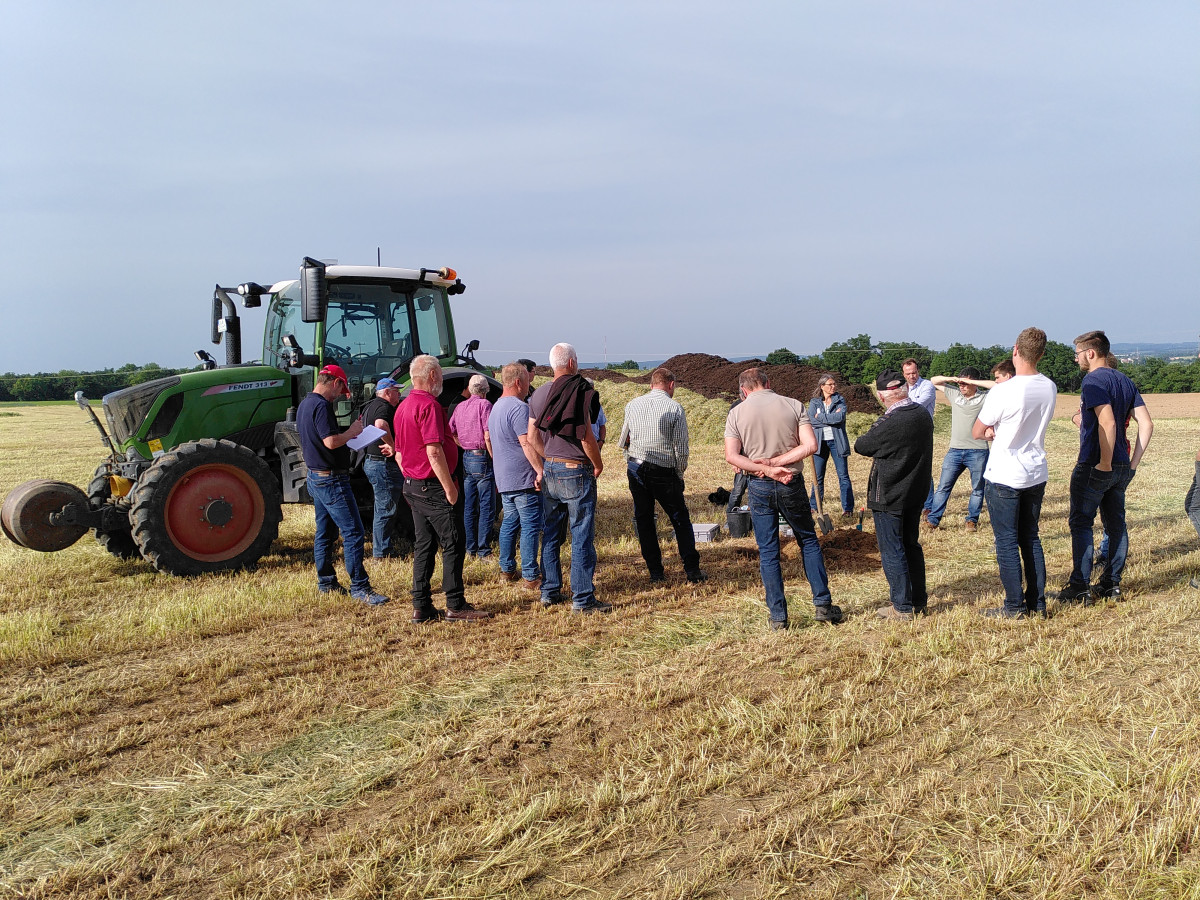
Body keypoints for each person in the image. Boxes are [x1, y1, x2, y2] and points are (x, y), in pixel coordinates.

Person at [724, 367, 842, 630]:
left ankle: (778, 617)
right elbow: (810, 445)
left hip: (759, 485)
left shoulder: (736, 413)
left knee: (768, 551)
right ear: (769, 383)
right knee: (808, 541)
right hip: (790, 482)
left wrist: (766, 468)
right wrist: (778, 464)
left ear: (744, 390)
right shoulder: (793, 405)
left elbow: (732, 456)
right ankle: (823, 604)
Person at [1058, 331, 1153, 605]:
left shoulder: (1093, 380)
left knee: (1081, 523)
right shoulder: (1125, 380)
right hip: (1123, 464)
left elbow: (1108, 423)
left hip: (1096, 464)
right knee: (1115, 525)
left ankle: (1079, 586)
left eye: (1077, 354)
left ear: (1090, 353)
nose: (1076, 359)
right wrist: (1131, 464)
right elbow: (1146, 424)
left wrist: (1105, 463)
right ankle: (1111, 584)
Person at [395, 355, 491, 623]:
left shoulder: (402, 407)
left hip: (413, 485)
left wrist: (412, 477)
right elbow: (434, 450)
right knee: (453, 543)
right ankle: (455, 603)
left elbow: (400, 453)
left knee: (424, 544)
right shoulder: (429, 406)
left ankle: (421, 605)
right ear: (434, 376)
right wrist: (448, 487)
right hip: (433, 486)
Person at [972, 328, 1057, 618]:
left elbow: (977, 430)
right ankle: (1038, 603)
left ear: (1015, 350)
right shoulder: (1049, 386)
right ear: (1042, 354)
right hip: (1036, 471)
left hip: (1005, 474)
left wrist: (993, 431)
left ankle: (1013, 607)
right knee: (1031, 538)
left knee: (1006, 541)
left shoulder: (1003, 391)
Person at [296, 364, 389, 606]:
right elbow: (331, 441)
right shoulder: (321, 406)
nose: (339, 395)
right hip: (332, 479)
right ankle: (360, 587)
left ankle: (326, 582)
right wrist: (352, 432)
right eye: (341, 389)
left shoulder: (305, 404)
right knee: (354, 532)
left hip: (316, 476)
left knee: (325, 532)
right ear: (335, 383)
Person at [527, 343, 610, 614]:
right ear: (572, 363)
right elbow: (587, 435)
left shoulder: (537, 395)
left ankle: (550, 591)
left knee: (551, 534)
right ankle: (583, 598)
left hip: (551, 470)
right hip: (576, 470)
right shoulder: (580, 391)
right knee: (581, 534)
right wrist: (597, 463)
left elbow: (532, 437)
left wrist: (547, 458)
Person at [854, 371, 934, 621]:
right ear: (905, 389)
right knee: (911, 545)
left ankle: (901, 606)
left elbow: (862, 445)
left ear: (881, 397)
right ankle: (918, 601)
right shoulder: (922, 414)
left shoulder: (891, 421)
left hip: (890, 493)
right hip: (916, 490)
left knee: (892, 549)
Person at [618, 367, 706, 584]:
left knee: (644, 520)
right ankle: (692, 570)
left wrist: (630, 462)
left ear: (651, 385)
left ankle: (656, 572)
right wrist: (679, 474)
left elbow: (623, 441)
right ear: (671, 385)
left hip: (636, 467)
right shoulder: (675, 408)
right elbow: (681, 449)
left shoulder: (632, 404)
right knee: (680, 519)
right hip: (663, 471)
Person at [487, 362, 543, 591]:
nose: (529, 386)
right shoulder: (519, 408)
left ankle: (506, 569)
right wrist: (540, 470)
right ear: (519, 382)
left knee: (510, 522)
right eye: (528, 381)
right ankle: (530, 575)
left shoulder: (496, 407)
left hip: (504, 476)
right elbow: (526, 441)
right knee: (530, 525)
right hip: (522, 477)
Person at [924, 367, 991, 532]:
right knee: (943, 487)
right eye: (960, 383)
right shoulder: (954, 394)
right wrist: (953, 378)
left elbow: (997, 386)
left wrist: (972, 382)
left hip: (978, 451)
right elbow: (933, 381)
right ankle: (933, 520)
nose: (962, 386)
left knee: (977, 489)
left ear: (974, 382)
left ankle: (971, 520)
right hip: (955, 450)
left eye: (965, 383)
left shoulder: (984, 397)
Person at [360, 377, 410, 559]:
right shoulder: (384, 407)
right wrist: (394, 445)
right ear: (387, 392)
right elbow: (381, 425)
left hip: (372, 461)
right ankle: (381, 553)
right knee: (386, 509)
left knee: (382, 507)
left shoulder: (370, 406)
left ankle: (382, 548)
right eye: (396, 391)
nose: (399, 394)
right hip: (383, 464)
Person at [449, 374, 495, 558]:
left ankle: (470, 548)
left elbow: (450, 431)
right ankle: (484, 549)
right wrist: (494, 457)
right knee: (486, 505)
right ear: (485, 391)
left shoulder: (460, 406)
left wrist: (463, 444)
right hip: (482, 456)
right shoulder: (485, 405)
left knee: (469, 505)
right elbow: (487, 435)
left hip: (467, 456)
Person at [807, 374, 855, 518]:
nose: (833, 386)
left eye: (834, 384)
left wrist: (820, 417)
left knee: (843, 476)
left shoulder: (839, 400)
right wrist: (829, 419)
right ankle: (814, 507)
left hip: (837, 442)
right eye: (830, 384)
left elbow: (840, 418)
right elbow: (811, 420)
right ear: (822, 386)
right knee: (818, 477)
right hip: (820, 443)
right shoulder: (814, 402)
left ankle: (847, 509)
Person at [902, 358, 937, 518]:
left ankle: (928, 505)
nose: (912, 376)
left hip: (922, 432)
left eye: (914, 372)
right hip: (906, 432)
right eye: (908, 373)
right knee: (907, 467)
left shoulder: (927, 386)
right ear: (904, 374)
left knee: (923, 468)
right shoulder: (902, 388)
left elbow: (917, 406)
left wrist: (902, 404)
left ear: (918, 371)